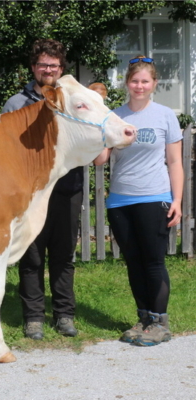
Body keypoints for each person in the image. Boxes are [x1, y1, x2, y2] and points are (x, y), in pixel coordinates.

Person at [94, 55, 183, 346]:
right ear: (127, 83)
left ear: (154, 83)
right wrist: (101, 131)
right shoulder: (116, 116)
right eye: (134, 80)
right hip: (120, 200)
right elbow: (100, 161)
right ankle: (144, 319)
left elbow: (174, 162)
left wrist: (177, 200)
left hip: (154, 196)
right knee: (133, 262)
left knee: (153, 261)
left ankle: (160, 322)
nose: (139, 86)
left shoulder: (165, 115)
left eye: (145, 81)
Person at [2, 38, 82, 340]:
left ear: (61, 68)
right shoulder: (15, 104)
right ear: (33, 68)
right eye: (42, 64)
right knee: (31, 257)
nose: (48, 69)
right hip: (31, 194)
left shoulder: (73, 101)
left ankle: (64, 315)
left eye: (53, 64)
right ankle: (34, 317)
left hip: (66, 188)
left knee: (63, 256)